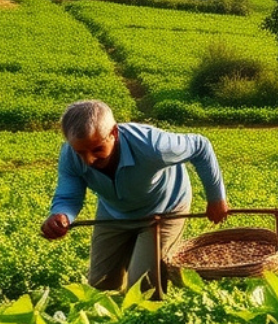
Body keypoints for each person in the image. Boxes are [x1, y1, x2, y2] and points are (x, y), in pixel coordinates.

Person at [40, 100, 229, 291]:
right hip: (114, 212)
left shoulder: (154, 146)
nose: (88, 160)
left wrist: (216, 198)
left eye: (97, 149)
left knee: (144, 288)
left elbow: (201, 146)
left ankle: (157, 308)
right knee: (99, 285)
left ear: (113, 133)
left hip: (163, 209)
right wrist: (61, 215)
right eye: (80, 152)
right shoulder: (70, 156)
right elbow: (69, 195)